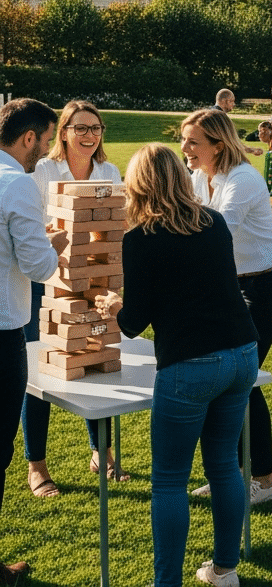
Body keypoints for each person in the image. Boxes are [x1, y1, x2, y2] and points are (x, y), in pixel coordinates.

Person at [95, 145, 258, 587]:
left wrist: (114, 305)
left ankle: (165, 583)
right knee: (223, 465)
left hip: (190, 365)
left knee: (169, 481)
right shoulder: (214, 222)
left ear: (138, 185)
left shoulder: (141, 238)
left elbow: (133, 322)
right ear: (179, 178)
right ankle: (225, 570)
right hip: (242, 354)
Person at [179, 109, 272, 504]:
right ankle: (230, 474)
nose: (185, 148)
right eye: (184, 139)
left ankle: (264, 479)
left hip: (268, 284)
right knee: (226, 380)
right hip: (232, 283)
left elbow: (216, 232)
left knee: (241, 378)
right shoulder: (199, 175)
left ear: (218, 144)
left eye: (193, 141)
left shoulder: (243, 178)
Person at [25, 100, 127, 496]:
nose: (89, 136)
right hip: (45, 278)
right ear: (63, 131)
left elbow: (114, 223)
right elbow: (31, 224)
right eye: (80, 128)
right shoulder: (43, 170)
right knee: (40, 369)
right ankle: (37, 466)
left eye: (96, 128)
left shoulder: (108, 171)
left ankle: (101, 452)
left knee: (95, 357)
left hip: (94, 279)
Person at [1, 98, 60, 584]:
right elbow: (39, 267)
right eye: (46, 139)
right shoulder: (18, 183)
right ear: (28, 138)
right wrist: (53, 245)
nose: (47, 148)